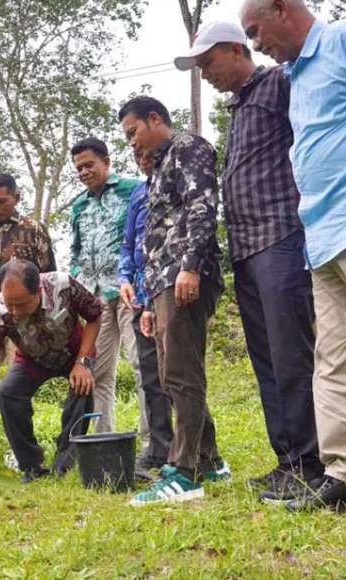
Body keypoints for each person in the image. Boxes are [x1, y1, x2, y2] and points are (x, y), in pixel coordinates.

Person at [240, 0, 346, 512]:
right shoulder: (295, 77)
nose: (255, 44)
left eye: (256, 31)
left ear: (282, 9)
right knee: (335, 363)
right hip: (322, 238)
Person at [174, 20, 320, 503]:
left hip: (281, 238)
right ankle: (287, 462)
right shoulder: (238, 108)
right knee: (266, 361)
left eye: (208, 63)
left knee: (292, 357)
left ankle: (311, 462)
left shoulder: (280, 83)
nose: (206, 75)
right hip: (247, 250)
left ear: (237, 50)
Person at [119, 96, 229, 506]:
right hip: (163, 282)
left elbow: (203, 207)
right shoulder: (159, 167)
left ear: (154, 119)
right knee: (172, 374)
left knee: (181, 373)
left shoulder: (188, 147)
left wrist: (191, 266)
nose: (131, 144)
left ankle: (184, 473)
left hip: (185, 276)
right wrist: (148, 302)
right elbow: (154, 238)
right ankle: (210, 460)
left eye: (133, 133)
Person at [0, 260, 100, 483]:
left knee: (82, 387)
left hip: (73, 353)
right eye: (10, 304)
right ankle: (32, 466)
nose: (16, 311)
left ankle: (65, 463)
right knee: (7, 393)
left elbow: (95, 315)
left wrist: (83, 361)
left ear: (38, 291)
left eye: (22, 304)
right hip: (32, 358)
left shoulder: (64, 286)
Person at [0, 173, 56, 443]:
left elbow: (48, 275)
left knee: (18, 387)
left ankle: (20, 450)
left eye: (2, 201)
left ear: (16, 198)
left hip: (24, 323)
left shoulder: (34, 230)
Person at [70, 138, 143, 436]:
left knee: (141, 365)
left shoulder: (132, 190)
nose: (84, 172)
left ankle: (153, 442)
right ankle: (103, 440)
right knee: (99, 373)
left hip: (130, 291)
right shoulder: (79, 205)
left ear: (107, 162)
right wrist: (78, 276)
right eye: (79, 168)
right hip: (95, 301)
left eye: (89, 165)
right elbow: (75, 250)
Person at [118, 151, 174, 474]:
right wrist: (124, 279)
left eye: (147, 152)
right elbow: (128, 244)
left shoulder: (173, 184)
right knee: (151, 375)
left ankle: (192, 450)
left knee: (177, 374)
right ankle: (158, 448)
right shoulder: (139, 194)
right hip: (141, 298)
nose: (142, 157)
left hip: (169, 289)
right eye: (136, 153)